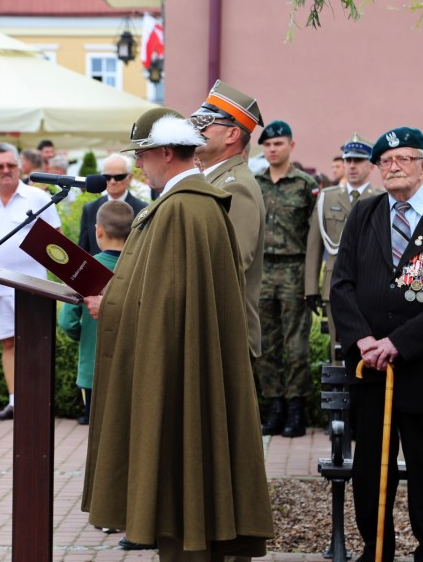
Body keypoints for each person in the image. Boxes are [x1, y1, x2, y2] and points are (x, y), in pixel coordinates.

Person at [82, 107, 274, 561]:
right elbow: (167, 293)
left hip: (176, 367)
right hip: (181, 359)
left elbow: (165, 305)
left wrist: (109, 303)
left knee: (182, 471)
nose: (138, 165)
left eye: (143, 155)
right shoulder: (187, 203)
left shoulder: (182, 209)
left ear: (166, 153)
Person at [330, 127, 423, 562]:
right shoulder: (364, 215)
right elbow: (342, 286)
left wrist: (397, 343)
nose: (393, 167)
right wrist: (365, 340)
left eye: (404, 159)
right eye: (386, 161)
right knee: (370, 471)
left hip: (422, 370)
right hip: (371, 371)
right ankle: (376, 551)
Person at [190, 79, 267, 397]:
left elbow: (230, 264)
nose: (196, 129)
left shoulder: (235, 185)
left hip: (223, 336)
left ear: (233, 134)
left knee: (221, 440)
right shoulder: (213, 179)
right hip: (212, 333)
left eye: (205, 122)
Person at [0, 143, 62, 421]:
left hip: (32, 285)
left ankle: (38, 401)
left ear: (19, 167)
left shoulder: (36, 197)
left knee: (36, 342)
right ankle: (15, 402)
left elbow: (56, 240)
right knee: (8, 344)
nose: (5, 171)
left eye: (10, 165)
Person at [255, 120, 318, 437]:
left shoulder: (306, 185)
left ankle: (296, 409)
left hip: (294, 270)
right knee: (265, 345)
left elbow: (315, 236)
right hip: (262, 271)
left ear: (291, 146)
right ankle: (274, 406)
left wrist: (312, 282)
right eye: (267, 145)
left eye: (278, 144)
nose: (272, 149)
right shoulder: (254, 183)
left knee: (296, 346)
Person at [305, 133, 383, 362]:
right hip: (334, 284)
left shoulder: (382, 198)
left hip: (370, 284)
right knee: (338, 346)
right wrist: (311, 288)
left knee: (370, 342)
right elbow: (314, 244)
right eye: (348, 160)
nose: (351, 166)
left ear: (370, 165)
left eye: (358, 161)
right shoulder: (327, 198)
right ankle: (340, 391)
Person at [60, 200, 132, 425]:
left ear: (98, 230)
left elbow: (67, 322)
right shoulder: (139, 267)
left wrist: (85, 337)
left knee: (97, 433)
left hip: (93, 368)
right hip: (131, 368)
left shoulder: (84, 268)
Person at [78, 154, 147, 255]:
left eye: (119, 177)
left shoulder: (143, 209)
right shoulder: (90, 209)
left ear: (130, 177)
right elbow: (83, 249)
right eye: (107, 177)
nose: (112, 181)